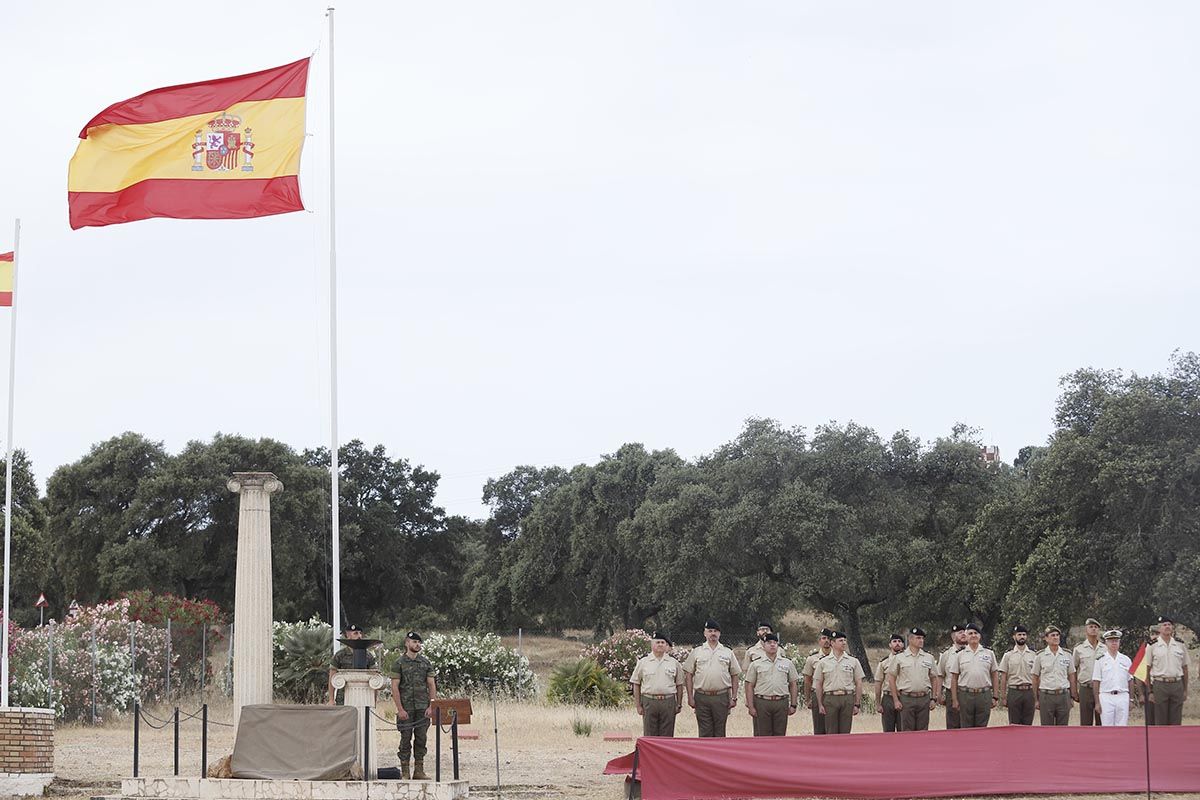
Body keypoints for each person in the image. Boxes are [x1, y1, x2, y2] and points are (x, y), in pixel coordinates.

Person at [390, 631, 437, 780]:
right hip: (406, 707)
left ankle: (419, 770)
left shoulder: (425, 662)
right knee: (405, 738)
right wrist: (400, 709)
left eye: (419, 642)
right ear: (407, 643)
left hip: (422, 707)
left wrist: (431, 706)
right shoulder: (399, 663)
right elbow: (394, 687)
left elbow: (431, 684)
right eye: (414, 642)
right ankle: (405, 771)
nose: (417, 644)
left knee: (421, 738)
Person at [683, 619, 742, 737]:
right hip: (702, 696)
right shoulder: (697, 651)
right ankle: (703, 755)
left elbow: (735, 675)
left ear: (719, 634)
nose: (713, 634)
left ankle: (719, 756)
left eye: (715, 631)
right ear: (705, 633)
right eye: (710, 631)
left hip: (721, 697)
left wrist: (734, 697)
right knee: (704, 732)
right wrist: (690, 697)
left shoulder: (727, 651)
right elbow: (688, 674)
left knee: (720, 732)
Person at [631, 631, 686, 736]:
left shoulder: (674, 663)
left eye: (663, 642)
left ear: (666, 646)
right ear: (652, 644)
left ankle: (665, 753)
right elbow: (636, 683)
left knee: (667, 734)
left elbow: (679, 685)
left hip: (668, 702)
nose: (660, 644)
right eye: (658, 642)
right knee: (649, 734)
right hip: (649, 701)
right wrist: (638, 705)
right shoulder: (643, 662)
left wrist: (678, 703)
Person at [744, 632, 799, 736]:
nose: (772, 645)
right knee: (763, 734)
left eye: (775, 642)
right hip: (762, 702)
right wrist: (751, 706)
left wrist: (793, 704)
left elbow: (793, 684)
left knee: (780, 734)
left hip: (781, 702)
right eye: (769, 642)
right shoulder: (756, 664)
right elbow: (749, 685)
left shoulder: (787, 663)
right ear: (764, 646)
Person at [886, 627, 940, 731]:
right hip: (907, 698)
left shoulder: (928, 657)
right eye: (918, 638)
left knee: (923, 730)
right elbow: (891, 678)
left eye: (922, 638)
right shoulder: (900, 657)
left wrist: (933, 698)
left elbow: (934, 678)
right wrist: (896, 700)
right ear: (910, 639)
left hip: (924, 698)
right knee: (907, 731)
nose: (921, 641)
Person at [814, 631, 864, 734]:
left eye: (845, 640)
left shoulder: (853, 661)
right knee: (831, 731)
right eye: (840, 640)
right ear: (832, 643)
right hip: (830, 698)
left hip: (847, 698)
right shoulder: (823, 662)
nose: (844, 643)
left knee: (845, 731)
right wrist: (820, 704)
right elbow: (818, 684)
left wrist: (857, 703)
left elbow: (859, 683)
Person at [949, 623, 998, 728]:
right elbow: (954, 678)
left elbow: (994, 674)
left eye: (976, 633)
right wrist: (954, 699)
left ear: (980, 636)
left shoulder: (989, 653)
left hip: (984, 695)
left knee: (982, 727)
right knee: (966, 727)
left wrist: (995, 696)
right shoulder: (960, 655)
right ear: (966, 637)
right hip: (966, 695)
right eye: (970, 633)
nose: (973, 635)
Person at [1145, 616, 1190, 726]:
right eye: (1164, 625)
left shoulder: (1180, 645)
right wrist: (1150, 691)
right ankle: (1161, 742)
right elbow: (1147, 669)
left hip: (1177, 684)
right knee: (1160, 720)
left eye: (1169, 625)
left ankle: (1175, 742)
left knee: (1176, 720)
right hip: (1160, 684)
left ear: (1173, 628)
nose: (1167, 627)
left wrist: (1185, 689)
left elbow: (1185, 668)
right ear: (1159, 628)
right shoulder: (1152, 645)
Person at [1031, 625, 1076, 726]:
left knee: (1063, 729)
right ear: (1046, 638)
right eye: (1052, 635)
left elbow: (1072, 676)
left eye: (1057, 635)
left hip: (1063, 695)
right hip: (1046, 696)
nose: (1055, 637)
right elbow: (1035, 678)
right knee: (1047, 729)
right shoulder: (1040, 656)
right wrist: (1036, 699)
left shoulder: (1067, 654)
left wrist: (1072, 696)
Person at [1091, 629, 1133, 726]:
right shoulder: (1100, 660)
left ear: (1119, 642)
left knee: (1122, 726)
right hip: (1106, 696)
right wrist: (1097, 702)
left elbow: (1130, 680)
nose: (1114, 643)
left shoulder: (1126, 660)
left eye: (1116, 640)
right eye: (1111, 641)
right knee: (1107, 726)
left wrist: (1131, 700)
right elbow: (1096, 681)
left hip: (1122, 695)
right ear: (1106, 642)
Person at [327, 623, 375, 705]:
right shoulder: (340, 655)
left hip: (364, 695)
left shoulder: (368, 656)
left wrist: (373, 700)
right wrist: (331, 699)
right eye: (355, 633)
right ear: (348, 636)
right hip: (344, 696)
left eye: (360, 633)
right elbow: (332, 677)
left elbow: (374, 677)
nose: (359, 636)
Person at [997, 624, 1036, 725]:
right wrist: (1003, 697)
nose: (1022, 637)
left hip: (1029, 691)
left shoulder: (1034, 655)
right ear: (1014, 637)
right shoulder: (1008, 655)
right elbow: (1004, 677)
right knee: (1014, 724)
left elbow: (1037, 677)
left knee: (1028, 723)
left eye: (1024, 634)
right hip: (1014, 691)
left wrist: (1037, 696)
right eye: (1019, 634)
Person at [802, 628, 833, 734]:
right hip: (818, 695)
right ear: (819, 641)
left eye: (829, 638)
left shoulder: (838, 658)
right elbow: (807, 680)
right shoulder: (812, 659)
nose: (827, 641)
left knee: (833, 729)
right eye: (823, 638)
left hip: (833, 694)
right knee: (819, 728)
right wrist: (807, 699)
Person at [1073, 618, 1103, 725]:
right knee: (1085, 723)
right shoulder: (1079, 648)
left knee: (1102, 721)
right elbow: (1073, 670)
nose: (1093, 629)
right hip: (1085, 688)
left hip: (1101, 689)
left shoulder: (1104, 648)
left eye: (1096, 627)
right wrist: (1074, 690)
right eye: (1091, 627)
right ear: (1086, 630)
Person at [937, 625, 967, 729]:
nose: (963, 634)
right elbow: (940, 675)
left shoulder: (971, 652)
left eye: (964, 632)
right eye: (960, 633)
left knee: (968, 725)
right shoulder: (946, 654)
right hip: (952, 693)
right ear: (953, 637)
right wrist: (939, 694)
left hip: (968, 693)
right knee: (953, 724)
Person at [874, 634, 905, 732]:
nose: (897, 644)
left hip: (903, 697)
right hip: (888, 698)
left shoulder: (907, 661)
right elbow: (878, 682)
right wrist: (878, 703)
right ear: (890, 645)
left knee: (904, 730)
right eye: (894, 641)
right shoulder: (884, 662)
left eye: (900, 641)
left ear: (903, 644)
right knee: (888, 731)